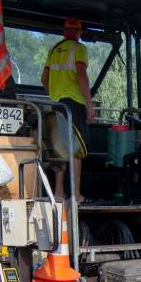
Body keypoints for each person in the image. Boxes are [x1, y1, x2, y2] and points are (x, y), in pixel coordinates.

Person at [40, 16, 93, 201]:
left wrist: (53, 94)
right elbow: (81, 75)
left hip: (57, 104)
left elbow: (44, 79)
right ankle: (75, 194)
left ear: (64, 31)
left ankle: (59, 192)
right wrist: (89, 105)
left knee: (59, 148)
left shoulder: (54, 50)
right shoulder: (79, 48)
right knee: (77, 150)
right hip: (74, 103)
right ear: (79, 32)